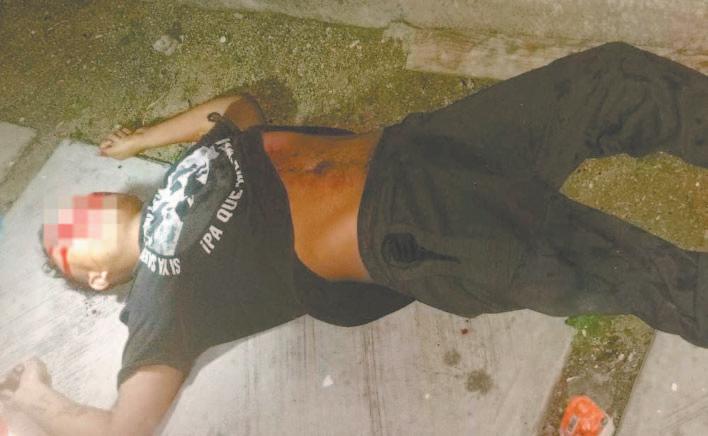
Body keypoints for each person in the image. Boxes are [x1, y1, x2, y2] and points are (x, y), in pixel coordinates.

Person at [0, 41, 705, 435]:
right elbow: (125, 428)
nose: (73, 212)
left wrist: (138, 141)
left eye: (69, 208)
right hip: (409, 231)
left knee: (615, 79)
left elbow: (240, 106)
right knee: (643, 273)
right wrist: (37, 400)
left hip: (423, 145)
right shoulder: (159, 300)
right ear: (96, 276)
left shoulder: (184, 173)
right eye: (65, 237)